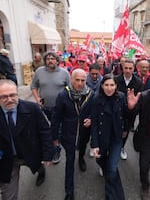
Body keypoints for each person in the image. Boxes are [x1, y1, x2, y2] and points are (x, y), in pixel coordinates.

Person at [0, 80, 53, 200]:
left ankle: (40, 170)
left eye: (13, 95)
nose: (10, 99)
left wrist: (48, 154)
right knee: (8, 197)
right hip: (6, 160)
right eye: (3, 97)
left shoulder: (32, 108)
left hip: (31, 153)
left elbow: (45, 131)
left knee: (37, 166)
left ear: (18, 94)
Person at [51, 69, 94, 200]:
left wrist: (91, 118)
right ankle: (69, 192)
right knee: (70, 161)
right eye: (77, 80)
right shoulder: (63, 95)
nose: (80, 83)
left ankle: (81, 158)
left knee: (81, 149)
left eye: (83, 80)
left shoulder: (91, 94)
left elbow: (95, 110)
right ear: (71, 79)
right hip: (68, 134)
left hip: (84, 133)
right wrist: (54, 137)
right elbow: (56, 116)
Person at [91, 73, 129, 200]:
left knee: (112, 170)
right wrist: (94, 144)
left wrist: (125, 129)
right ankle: (105, 168)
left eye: (112, 85)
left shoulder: (121, 97)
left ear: (116, 86)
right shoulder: (96, 99)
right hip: (102, 137)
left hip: (116, 138)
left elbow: (125, 114)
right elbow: (95, 123)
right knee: (101, 161)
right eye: (106, 85)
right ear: (102, 86)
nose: (109, 88)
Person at [31, 51, 70, 164]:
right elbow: (34, 86)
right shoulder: (39, 72)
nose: (50, 60)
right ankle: (47, 149)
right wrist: (37, 98)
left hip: (59, 109)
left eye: (53, 58)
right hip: (44, 107)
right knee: (45, 130)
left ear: (57, 61)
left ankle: (56, 150)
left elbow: (70, 89)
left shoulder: (64, 73)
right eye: (48, 59)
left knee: (56, 130)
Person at [115, 59, 144, 160]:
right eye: (125, 68)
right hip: (116, 112)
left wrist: (133, 110)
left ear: (134, 69)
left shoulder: (138, 82)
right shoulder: (115, 79)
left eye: (130, 68)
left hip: (130, 114)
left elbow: (139, 99)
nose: (127, 70)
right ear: (122, 68)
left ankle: (121, 148)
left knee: (125, 133)